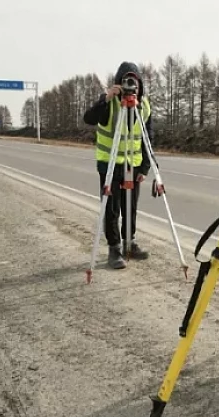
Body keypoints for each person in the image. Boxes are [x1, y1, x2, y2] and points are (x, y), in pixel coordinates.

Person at [83, 61, 156, 269]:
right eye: (127, 81)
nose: (131, 86)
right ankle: (114, 249)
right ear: (118, 83)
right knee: (112, 210)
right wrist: (106, 98)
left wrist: (145, 168)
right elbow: (88, 118)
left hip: (133, 165)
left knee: (130, 208)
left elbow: (147, 138)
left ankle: (129, 243)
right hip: (110, 165)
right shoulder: (109, 102)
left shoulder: (144, 106)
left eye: (135, 81)